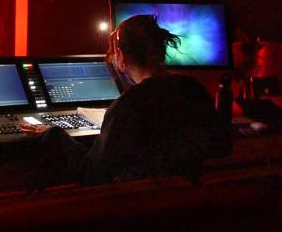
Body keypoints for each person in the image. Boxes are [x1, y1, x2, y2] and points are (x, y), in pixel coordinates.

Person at [21, 15, 232, 186]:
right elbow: (221, 145)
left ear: (121, 56)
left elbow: (92, 173)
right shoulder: (192, 89)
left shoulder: (128, 106)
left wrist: (55, 134)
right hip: (186, 209)